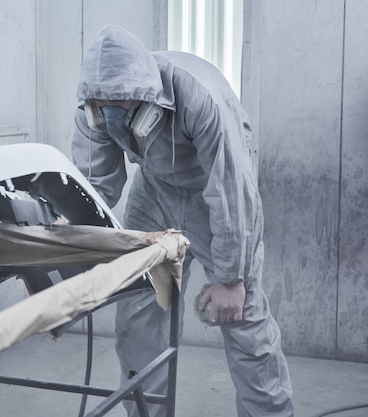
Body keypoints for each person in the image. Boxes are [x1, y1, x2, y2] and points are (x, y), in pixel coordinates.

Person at [71, 24, 293, 417]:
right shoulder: (95, 110)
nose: (110, 116)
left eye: (120, 107)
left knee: (244, 322)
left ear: (145, 98)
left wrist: (230, 279)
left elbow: (231, 186)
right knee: (139, 317)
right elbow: (96, 187)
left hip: (216, 195)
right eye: (102, 105)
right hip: (154, 191)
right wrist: (74, 246)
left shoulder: (197, 97)